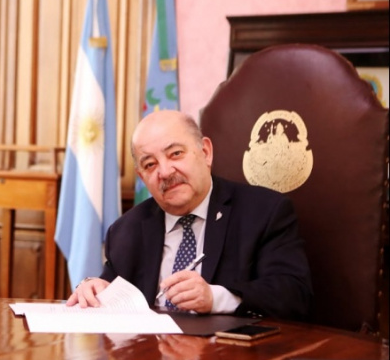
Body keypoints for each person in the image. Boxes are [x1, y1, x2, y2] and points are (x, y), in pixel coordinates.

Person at [66, 110, 312, 320]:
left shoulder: (263, 212)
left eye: (175, 154)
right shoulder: (125, 231)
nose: (165, 171)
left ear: (205, 152)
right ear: (142, 177)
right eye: (150, 164)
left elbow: (293, 295)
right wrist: (93, 289)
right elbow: (109, 292)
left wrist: (215, 298)